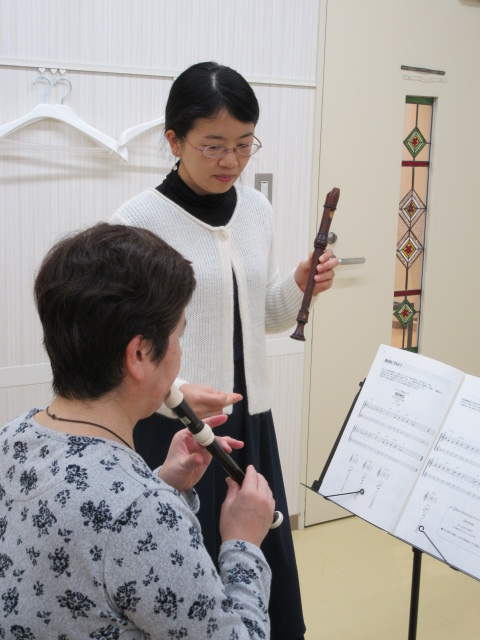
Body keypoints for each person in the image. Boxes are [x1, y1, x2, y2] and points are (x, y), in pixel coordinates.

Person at [112, 61, 338, 640]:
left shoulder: (257, 212)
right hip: (175, 430)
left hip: (249, 421)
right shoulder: (137, 221)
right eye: (213, 145)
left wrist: (300, 285)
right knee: (186, 579)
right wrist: (175, 394)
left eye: (243, 144)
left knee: (258, 561)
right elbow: (121, 346)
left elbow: (262, 316)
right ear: (174, 140)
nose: (230, 161)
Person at [0, 222, 275, 639]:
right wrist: (243, 543)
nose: (179, 353)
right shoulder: (144, 513)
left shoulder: (11, 438)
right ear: (140, 354)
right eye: (179, 336)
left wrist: (163, 483)